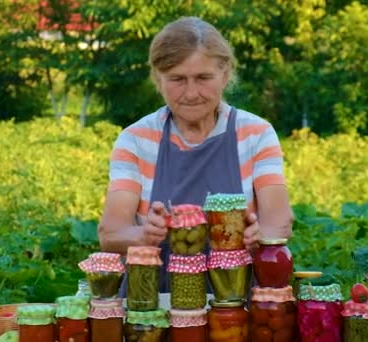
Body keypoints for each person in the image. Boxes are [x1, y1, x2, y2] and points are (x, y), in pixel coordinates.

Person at [98, 16, 293, 292]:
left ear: (224, 75)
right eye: (177, 79)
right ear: (158, 79)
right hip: (152, 306)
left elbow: (279, 221)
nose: (191, 93)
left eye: (203, 78)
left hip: (236, 305)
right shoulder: (136, 140)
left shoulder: (256, 135)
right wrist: (143, 233)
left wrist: (259, 235)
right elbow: (111, 232)